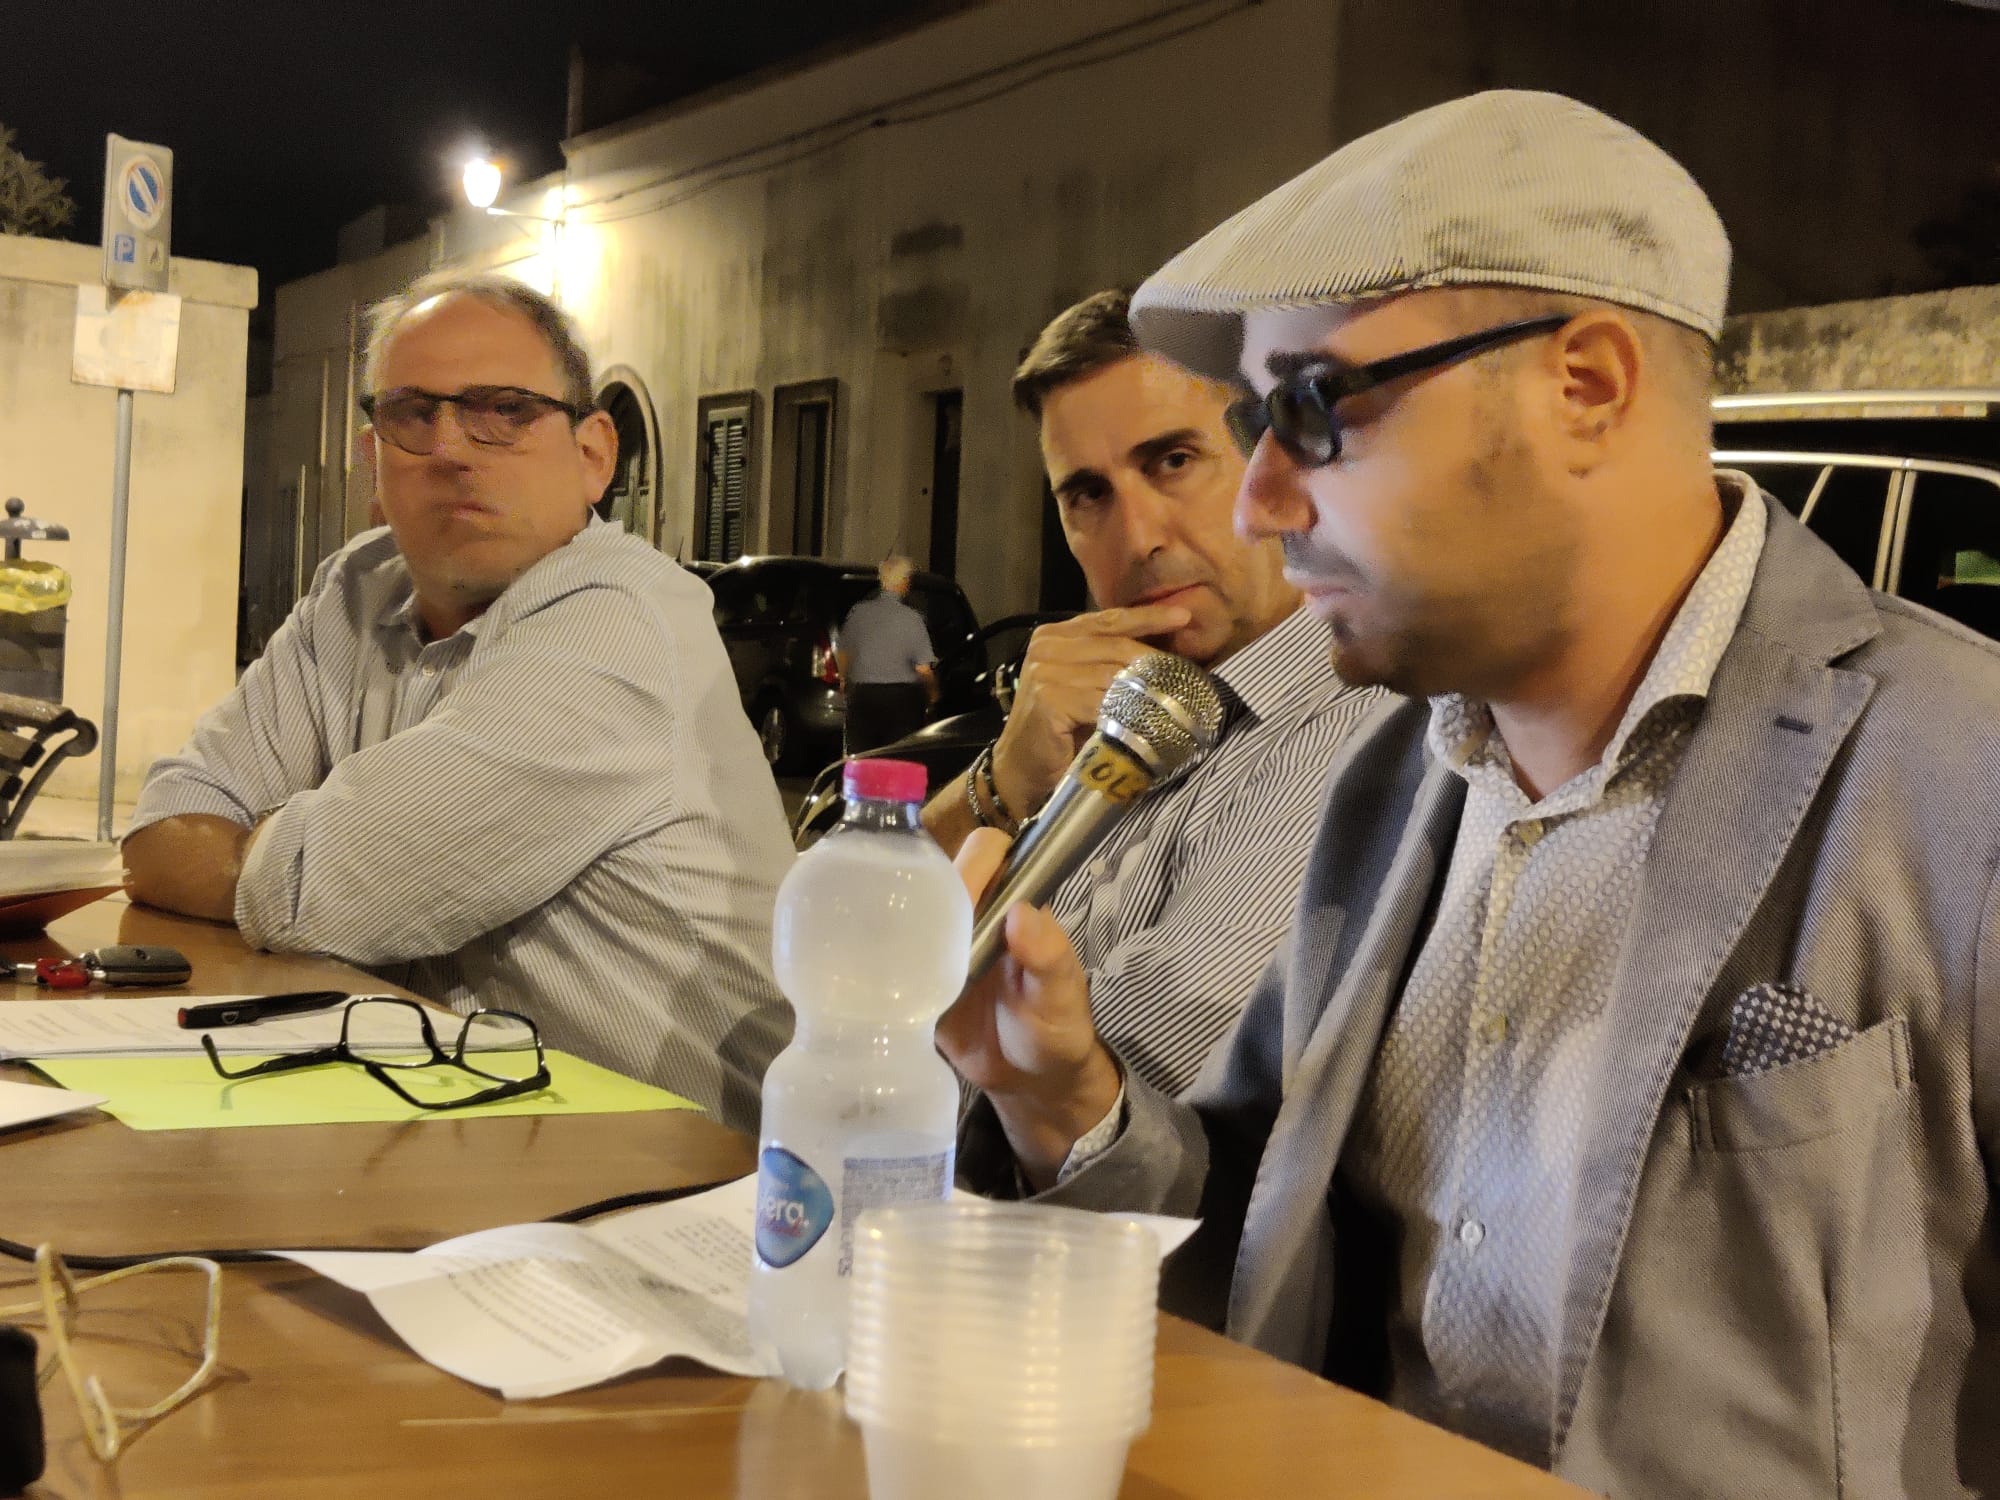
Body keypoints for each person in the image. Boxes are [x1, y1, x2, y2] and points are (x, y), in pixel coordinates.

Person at [945, 90, 2000, 1497]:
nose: (1258, 500)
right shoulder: (1396, 782)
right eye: (1253, 420)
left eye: (1312, 408)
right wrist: (1065, 1101)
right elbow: (1259, 1265)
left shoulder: (1957, 775)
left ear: (1587, 385)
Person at [122, 270, 794, 1133]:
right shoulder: (358, 588)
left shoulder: (621, 622)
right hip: (448, 1124)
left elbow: (338, 886)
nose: (450, 449)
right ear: (374, 459)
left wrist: (286, 858)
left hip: (688, 1168)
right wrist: (291, 860)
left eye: (505, 411)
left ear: (594, 454)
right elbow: (167, 819)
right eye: (412, 414)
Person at [924, 289, 1384, 1096]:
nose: (1137, 539)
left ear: (1273, 462)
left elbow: (1127, 1094)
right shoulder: (1128, 708)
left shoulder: (1348, 733)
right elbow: (832, 954)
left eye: (1172, 462)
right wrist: (1001, 783)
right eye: (1088, 495)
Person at [836, 555, 937, 754]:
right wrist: (933, 695)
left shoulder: (858, 613)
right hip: (901, 703)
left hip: (862, 698)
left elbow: (844, 654)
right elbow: (923, 669)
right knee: (895, 758)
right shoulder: (912, 619)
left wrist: (843, 681)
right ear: (905, 582)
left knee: (863, 758)